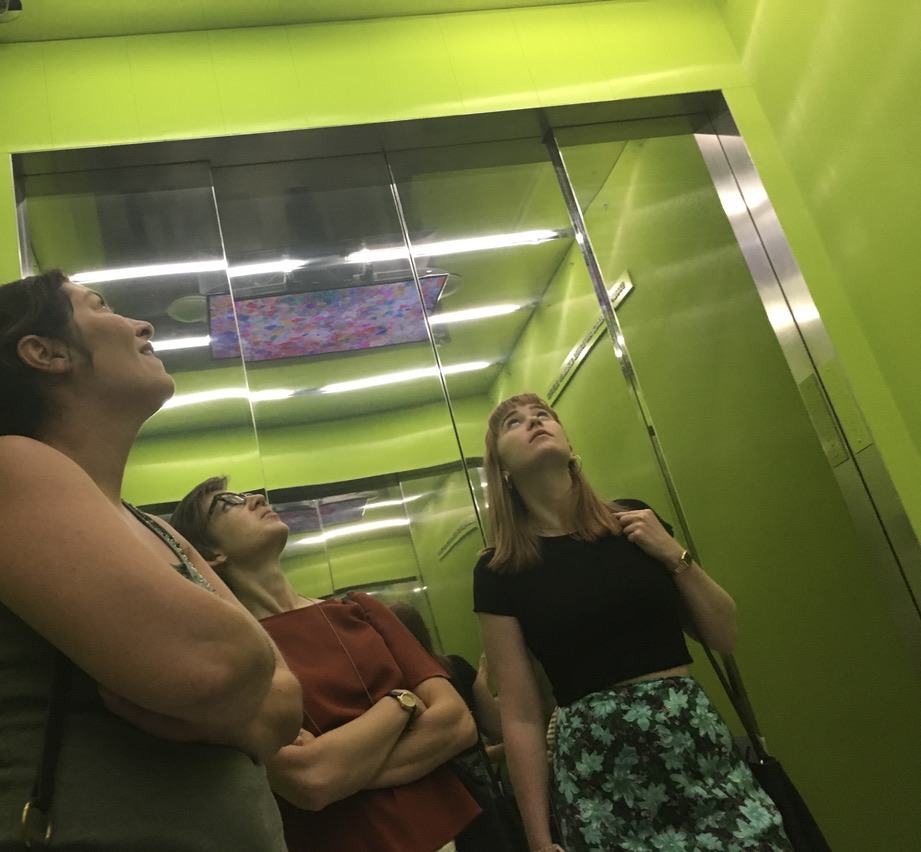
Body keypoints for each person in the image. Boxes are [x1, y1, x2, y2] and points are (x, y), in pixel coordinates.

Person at [0, 270, 303, 849]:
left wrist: (243, 706)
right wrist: (242, 701)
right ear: (45, 352)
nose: (141, 324)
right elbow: (219, 665)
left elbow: (286, 702)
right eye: (100, 306)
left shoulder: (153, 527)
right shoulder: (12, 465)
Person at [473, 392, 793, 852]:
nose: (535, 422)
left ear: (567, 443)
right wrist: (539, 839)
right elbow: (520, 714)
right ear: (500, 467)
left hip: (696, 750)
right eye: (514, 423)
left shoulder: (632, 523)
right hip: (597, 775)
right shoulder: (500, 569)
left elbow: (724, 635)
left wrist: (672, 553)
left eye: (544, 415)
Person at [170, 477, 481, 852]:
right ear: (211, 553)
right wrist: (402, 701)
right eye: (229, 503)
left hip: (452, 837)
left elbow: (458, 723)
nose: (254, 499)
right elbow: (310, 781)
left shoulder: (363, 610)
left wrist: (341, 769)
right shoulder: (230, 658)